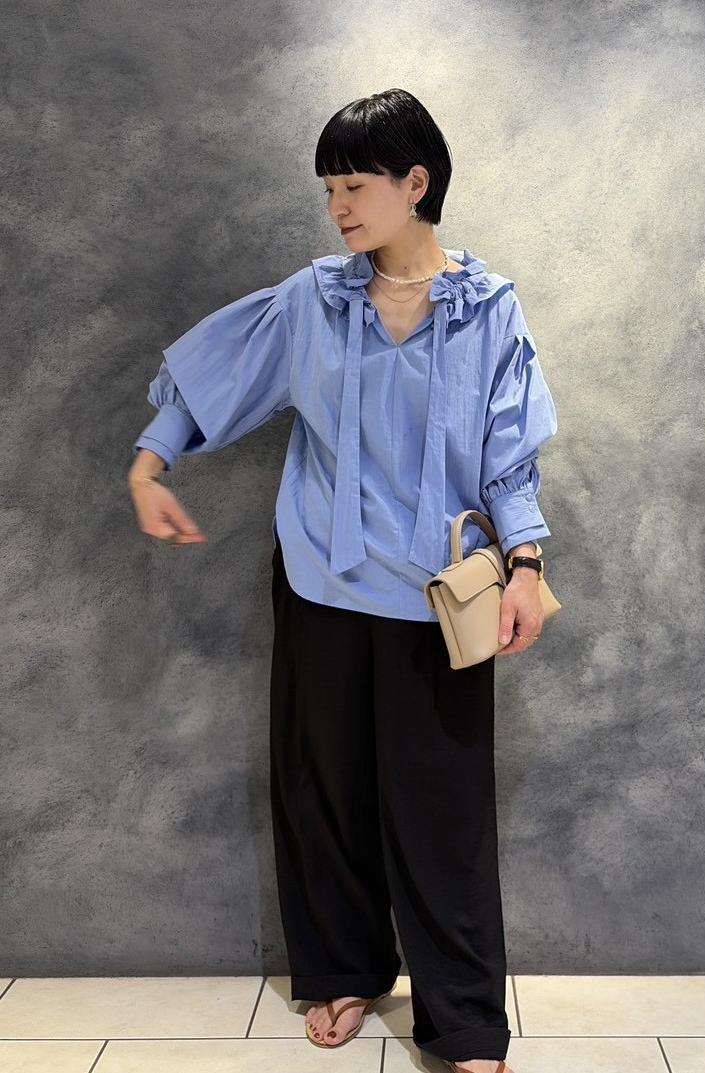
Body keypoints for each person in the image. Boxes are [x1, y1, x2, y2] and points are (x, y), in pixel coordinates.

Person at [128, 88, 557, 1073]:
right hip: (320, 580)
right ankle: (343, 969)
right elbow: (212, 380)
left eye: (355, 185)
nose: (338, 208)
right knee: (323, 787)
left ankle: (463, 1017)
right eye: (328, 189)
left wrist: (526, 565)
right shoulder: (311, 300)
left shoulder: (488, 310)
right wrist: (150, 466)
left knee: (442, 808)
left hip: (440, 598)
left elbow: (509, 459)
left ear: (416, 182)